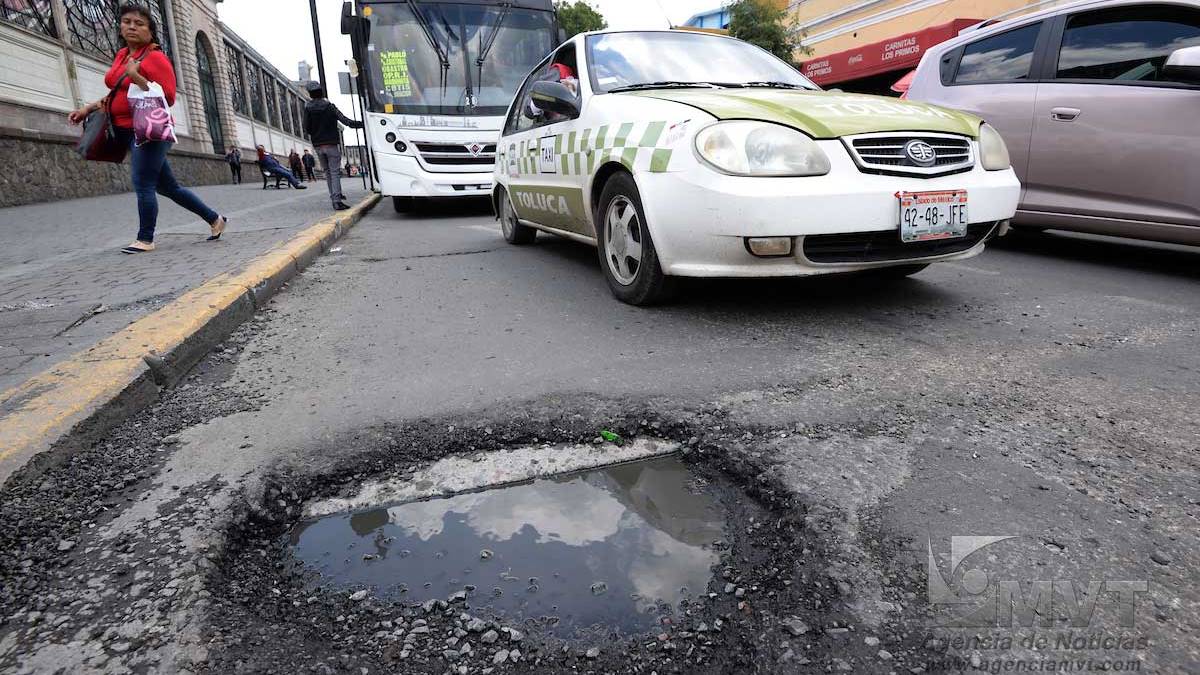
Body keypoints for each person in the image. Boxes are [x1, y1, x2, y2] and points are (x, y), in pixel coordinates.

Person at [67, 4, 226, 253]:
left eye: (139, 23)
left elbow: (168, 97)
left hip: (148, 131)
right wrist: (86, 109)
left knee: (143, 183)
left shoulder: (156, 58)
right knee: (168, 187)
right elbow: (117, 91)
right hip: (122, 129)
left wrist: (138, 77)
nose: (131, 26)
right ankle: (215, 220)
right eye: (127, 21)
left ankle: (145, 238)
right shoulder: (122, 55)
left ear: (150, 31)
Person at [303, 81, 363, 211]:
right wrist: (362, 123)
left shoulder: (308, 108)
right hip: (331, 144)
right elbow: (347, 122)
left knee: (328, 172)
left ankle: (334, 196)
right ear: (321, 92)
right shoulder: (330, 106)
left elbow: (307, 128)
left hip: (318, 145)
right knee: (335, 172)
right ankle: (337, 201)